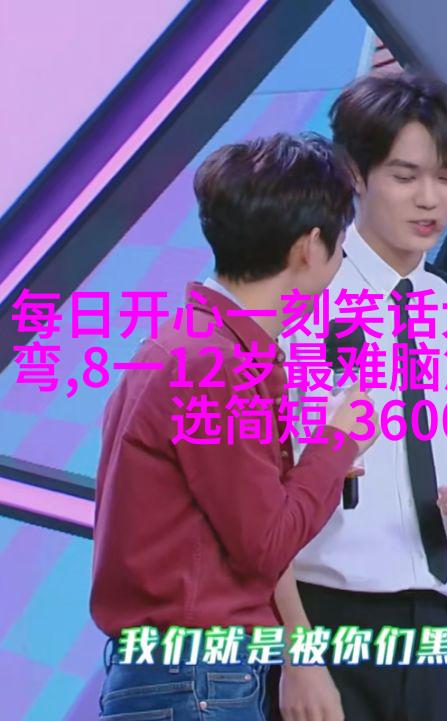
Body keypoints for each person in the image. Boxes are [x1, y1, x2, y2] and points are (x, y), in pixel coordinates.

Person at [91, 132, 379, 720]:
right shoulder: (214, 364)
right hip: (195, 676)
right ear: (308, 248)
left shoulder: (192, 347)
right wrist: (336, 442)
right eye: (341, 246)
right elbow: (266, 544)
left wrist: (314, 468)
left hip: (182, 672)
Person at [274, 72, 447, 721]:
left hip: (438, 625)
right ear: (354, 175)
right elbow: (249, 497)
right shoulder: (293, 305)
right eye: (405, 176)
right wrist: (298, 652)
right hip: (321, 616)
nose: (430, 200)